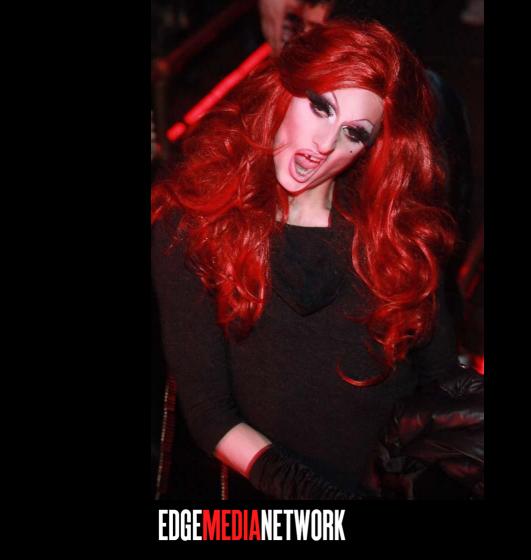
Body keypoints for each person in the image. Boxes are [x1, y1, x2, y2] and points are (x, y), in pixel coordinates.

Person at [151, 19, 482, 500]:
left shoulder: (394, 235)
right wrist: (314, 497)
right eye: (321, 107)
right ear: (283, 89)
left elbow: (440, 383)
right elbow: (210, 414)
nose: (325, 146)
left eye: (354, 133)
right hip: (278, 507)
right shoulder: (193, 225)